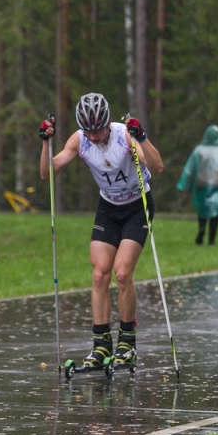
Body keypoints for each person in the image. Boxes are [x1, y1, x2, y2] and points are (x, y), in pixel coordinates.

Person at [39, 93, 163, 371]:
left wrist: (141, 137)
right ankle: (101, 345)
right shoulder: (79, 139)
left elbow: (157, 166)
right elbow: (48, 173)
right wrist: (46, 142)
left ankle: (127, 343)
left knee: (122, 273)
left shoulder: (124, 136)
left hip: (137, 206)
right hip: (108, 207)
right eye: (88, 131)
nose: (94, 137)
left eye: (98, 130)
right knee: (99, 274)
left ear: (108, 122)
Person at [175, 125, 218, 246]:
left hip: (200, 185)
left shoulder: (198, 151)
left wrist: (185, 187)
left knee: (202, 210)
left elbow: (189, 170)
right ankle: (211, 239)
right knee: (215, 211)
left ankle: (202, 228)